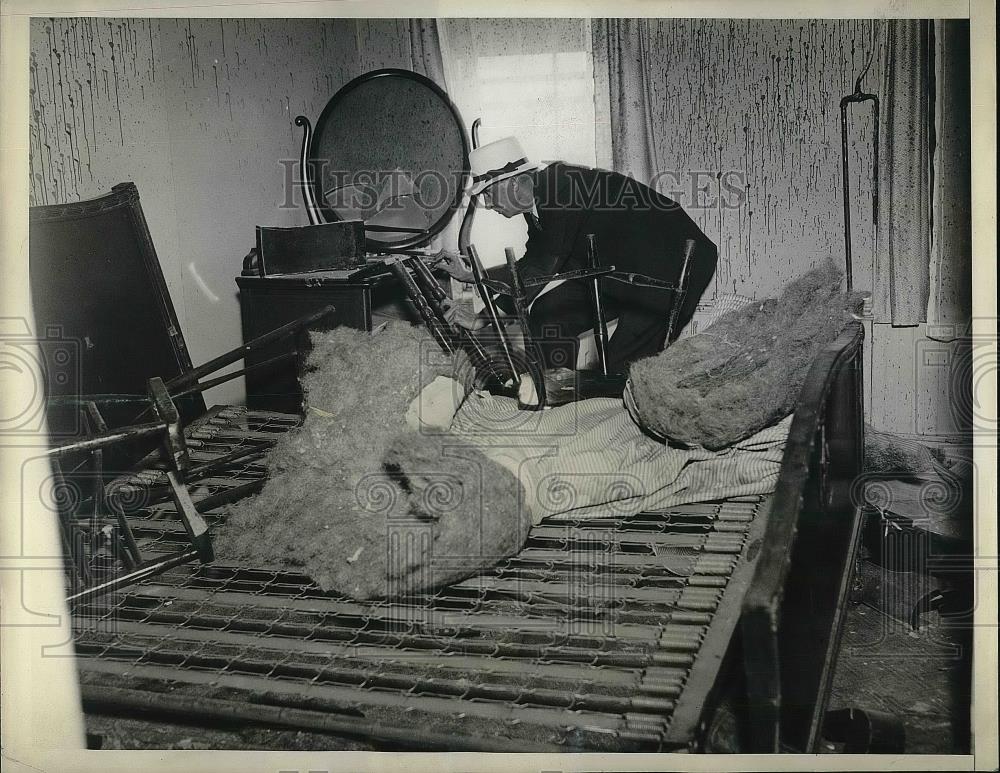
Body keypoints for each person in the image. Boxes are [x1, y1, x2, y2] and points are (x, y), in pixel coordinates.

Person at [438, 136, 718, 374]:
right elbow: (528, 264)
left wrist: (483, 319)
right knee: (549, 315)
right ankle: (555, 390)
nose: (488, 204)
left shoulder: (562, 186)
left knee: (623, 367)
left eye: (488, 193)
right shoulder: (539, 203)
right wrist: (472, 274)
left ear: (512, 183)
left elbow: (543, 265)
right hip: (615, 271)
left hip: (669, 267)